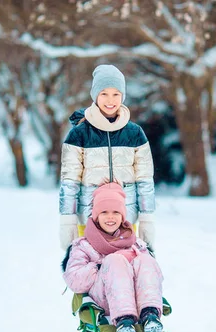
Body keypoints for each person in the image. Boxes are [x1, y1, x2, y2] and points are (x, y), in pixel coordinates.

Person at [58, 64, 155, 251]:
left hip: (125, 217)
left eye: (116, 94)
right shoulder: (79, 134)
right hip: (88, 217)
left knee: (123, 271)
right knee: (89, 271)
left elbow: (145, 180)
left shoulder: (135, 133)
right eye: (104, 93)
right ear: (95, 95)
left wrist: (147, 217)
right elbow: (69, 182)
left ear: (123, 96)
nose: (110, 100)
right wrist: (67, 220)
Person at [62, 183, 164, 332]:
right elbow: (74, 279)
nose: (110, 217)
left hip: (135, 299)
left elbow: (152, 274)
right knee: (115, 261)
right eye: (104, 212)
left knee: (145, 260)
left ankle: (150, 315)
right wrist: (100, 266)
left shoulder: (135, 243)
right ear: (96, 215)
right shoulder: (83, 245)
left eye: (116, 212)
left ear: (122, 215)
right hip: (102, 301)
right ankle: (123, 319)